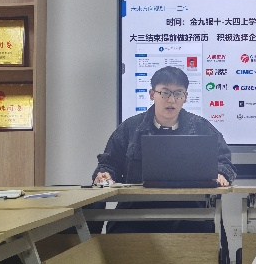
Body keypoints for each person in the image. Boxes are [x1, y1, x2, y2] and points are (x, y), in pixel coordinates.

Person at [92, 65, 237, 233]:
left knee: (204, 234)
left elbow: (224, 162)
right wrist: (105, 174)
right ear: (152, 94)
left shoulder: (202, 128)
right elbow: (109, 164)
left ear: (185, 97)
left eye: (178, 93)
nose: (171, 100)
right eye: (165, 92)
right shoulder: (130, 128)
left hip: (190, 212)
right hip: (136, 212)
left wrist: (221, 173)